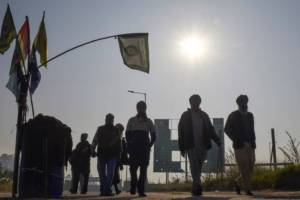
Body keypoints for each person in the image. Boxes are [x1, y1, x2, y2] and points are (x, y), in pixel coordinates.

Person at [178, 95, 221, 196]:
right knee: (194, 165)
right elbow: (181, 131)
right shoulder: (185, 115)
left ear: (199, 102)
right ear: (190, 103)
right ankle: (198, 186)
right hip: (190, 144)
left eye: (197, 101)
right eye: (193, 101)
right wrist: (181, 146)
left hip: (203, 144)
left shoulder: (204, 115)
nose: (195, 103)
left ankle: (195, 186)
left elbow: (210, 129)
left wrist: (217, 140)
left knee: (199, 165)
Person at [224, 95, 256, 196]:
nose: (244, 104)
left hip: (250, 144)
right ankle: (248, 189)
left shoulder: (250, 115)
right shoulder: (233, 115)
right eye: (242, 102)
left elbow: (252, 129)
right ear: (238, 103)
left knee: (250, 167)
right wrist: (236, 139)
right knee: (244, 167)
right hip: (239, 146)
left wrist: (254, 141)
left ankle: (237, 182)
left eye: (245, 102)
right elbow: (226, 129)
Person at [126, 101, 156, 197]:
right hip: (134, 149)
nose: (141, 109)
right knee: (133, 169)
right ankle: (133, 185)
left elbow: (154, 135)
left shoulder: (149, 121)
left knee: (143, 171)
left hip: (144, 149)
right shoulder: (131, 120)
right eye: (139, 107)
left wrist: (149, 145)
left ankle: (141, 190)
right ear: (137, 108)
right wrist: (130, 145)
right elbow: (127, 134)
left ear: (145, 108)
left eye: (143, 107)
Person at [92, 113, 121, 196]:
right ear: (105, 119)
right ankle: (104, 189)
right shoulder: (100, 129)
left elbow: (119, 144)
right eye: (107, 118)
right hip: (101, 154)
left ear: (113, 120)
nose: (108, 120)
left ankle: (107, 190)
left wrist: (119, 155)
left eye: (110, 119)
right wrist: (92, 150)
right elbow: (95, 140)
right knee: (102, 174)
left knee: (110, 174)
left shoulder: (116, 130)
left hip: (112, 155)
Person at [112, 123, 125, 195]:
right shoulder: (117, 137)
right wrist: (120, 163)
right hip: (114, 158)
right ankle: (112, 189)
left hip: (114, 157)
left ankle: (116, 189)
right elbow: (118, 151)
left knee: (114, 175)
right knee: (114, 175)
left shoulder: (117, 137)